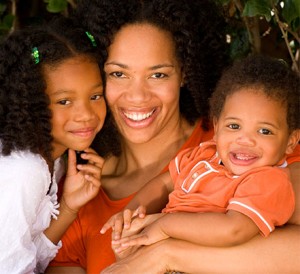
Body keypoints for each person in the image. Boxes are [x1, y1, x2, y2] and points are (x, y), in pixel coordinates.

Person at [46, 1, 300, 273]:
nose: (137, 97)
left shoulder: (248, 141)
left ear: (184, 72)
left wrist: (166, 256)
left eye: (158, 74)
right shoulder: (79, 195)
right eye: (118, 74)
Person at [100, 55, 299, 261]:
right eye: (233, 126)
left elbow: (232, 230)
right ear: (217, 126)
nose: (245, 140)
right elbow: (164, 183)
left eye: (264, 131)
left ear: (291, 141)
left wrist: (164, 225)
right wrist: (130, 213)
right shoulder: (204, 155)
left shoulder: (269, 181)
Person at [0, 16, 106, 274]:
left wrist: (68, 207)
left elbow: (29, 254)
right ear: (30, 102)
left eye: (95, 96)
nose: (86, 114)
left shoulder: (54, 158)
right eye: (64, 101)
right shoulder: (24, 170)